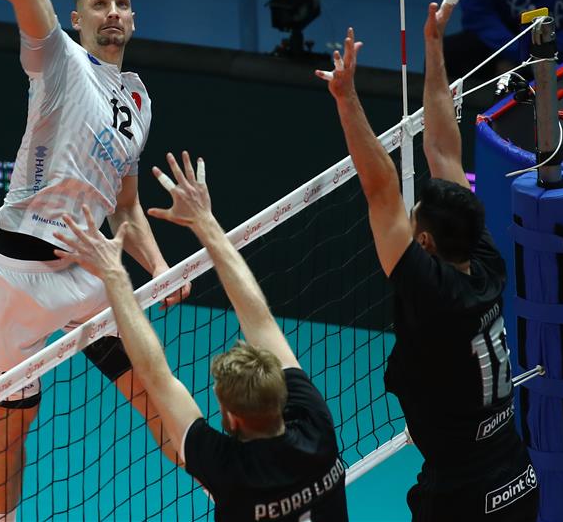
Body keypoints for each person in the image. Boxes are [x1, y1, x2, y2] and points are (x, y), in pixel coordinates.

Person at [0, 0, 188, 521]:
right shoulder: (59, 61)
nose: (112, 12)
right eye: (99, 4)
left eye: (122, 4)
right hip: (16, 276)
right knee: (16, 417)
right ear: (77, 19)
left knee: (151, 386)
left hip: (85, 271)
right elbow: (32, 2)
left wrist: (160, 269)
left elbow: (125, 207)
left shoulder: (137, 100)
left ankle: (223, 492)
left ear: (133, 19)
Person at [317, 0, 538, 521]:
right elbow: (444, 150)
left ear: (424, 242)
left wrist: (346, 98)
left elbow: (380, 188)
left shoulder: (432, 291)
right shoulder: (484, 260)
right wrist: (434, 47)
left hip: (462, 498)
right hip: (518, 476)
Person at [52, 151, 349, 521]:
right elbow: (259, 322)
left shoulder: (229, 471)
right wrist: (205, 222)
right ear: (282, 394)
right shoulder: (316, 425)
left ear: (232, 418)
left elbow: (158, 377)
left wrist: (114, 273)